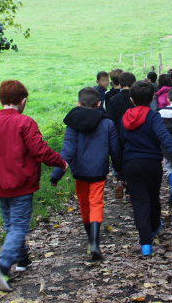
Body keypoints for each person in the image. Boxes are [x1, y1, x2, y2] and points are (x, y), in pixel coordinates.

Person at [0, 80, 68, 292]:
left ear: (1, 100)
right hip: (22, 184)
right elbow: (40, 150)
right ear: (23, 101)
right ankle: (1, 267)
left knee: (11, 224)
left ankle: (22, 260)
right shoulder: (25, 123)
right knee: (18, 226)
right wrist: (60, 162)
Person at [51, 88, 121, 260]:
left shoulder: (73, 123)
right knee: (96, 203)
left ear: (79, 104)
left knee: (84, 204)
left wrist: (56, 174)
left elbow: (67, 152)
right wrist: (120, 171)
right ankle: (96, 243)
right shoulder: (108, 123)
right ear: (99, 104)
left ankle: (90, 239)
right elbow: (116, 151)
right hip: (99, 171)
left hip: (80, 171)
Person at [121, 81, 172, 256]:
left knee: (139, 201)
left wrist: (118, 166)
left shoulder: (125, 117)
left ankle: (145, 243)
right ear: (151, 99)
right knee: (153, 197)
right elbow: (164, 136)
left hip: (131, 164)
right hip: (151, 164)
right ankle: (154, 226)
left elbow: (120, 140)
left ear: (132, 100)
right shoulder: (153, 116)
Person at [107, 72, 136, 199]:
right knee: (130, 160)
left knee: (120, 158)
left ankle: (120, 180)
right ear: (133, 83)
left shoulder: (113, 99)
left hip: (117, 134)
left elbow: (109, 119)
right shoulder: (135, 99)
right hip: (132, 133)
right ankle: (129, 190)